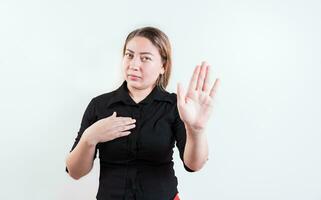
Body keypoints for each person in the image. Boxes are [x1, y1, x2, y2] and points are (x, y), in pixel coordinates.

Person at [65, 26, 220, 200]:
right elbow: (75, 172)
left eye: (145, 58)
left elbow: (194, 165)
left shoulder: (175, 106)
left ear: (163, 66)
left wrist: (196, 130)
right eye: (129, 55)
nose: (134, 64)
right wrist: (89, 138)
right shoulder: (99, 105)